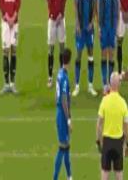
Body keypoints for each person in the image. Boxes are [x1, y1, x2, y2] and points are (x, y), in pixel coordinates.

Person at [96, 72, 128, 180]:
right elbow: (126, 127)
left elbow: (99, 124)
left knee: (105, 174)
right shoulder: (123, 103)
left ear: (110, 84)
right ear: (119, 84)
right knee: (119, 174)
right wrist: (127, 144)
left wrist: (98, 141)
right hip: (118, 143)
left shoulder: (104, 101)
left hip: (107, 142)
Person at [72, 0, 98, 97]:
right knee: (78, 54)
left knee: (90, 54)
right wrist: (77, 23)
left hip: (89, 27)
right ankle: (76, 86)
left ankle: (90, 85)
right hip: (80, 27)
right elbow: (75, 2)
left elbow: (94, 3)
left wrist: (92, 22)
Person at [97, 0, 120, 95]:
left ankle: (111, 85)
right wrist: (99, 26)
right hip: (103, 24)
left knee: (111, 53)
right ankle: (104, 83)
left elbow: (117, 2)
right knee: (103, 53)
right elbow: (98, 3)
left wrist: (117, 25)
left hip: (112, 24)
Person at [0, 0, 21, 94]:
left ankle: (13, 83)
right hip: (6, 22)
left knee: (14, 50)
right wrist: (7, 16)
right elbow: (0, 2)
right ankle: (6, 83)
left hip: (15, 21)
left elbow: (18, 1)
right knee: (5, 50)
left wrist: (14, 16)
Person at [46, 0, 67, 88]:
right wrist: (54, 14)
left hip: (61, 17)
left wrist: (61, 13)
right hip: (52, 18)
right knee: (51, 48)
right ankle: (49, 77)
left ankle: (61, 74)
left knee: (62, 46)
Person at [53, 47, 73, 180]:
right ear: (69, 61)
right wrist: (69, 119)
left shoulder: (59, 74)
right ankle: (55, 177)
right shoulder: (64, 78)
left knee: (66, 146)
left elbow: (56, 97)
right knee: (63, 147)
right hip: (62, 116)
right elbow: (64, 100)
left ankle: (69, 176)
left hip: (59, 112)